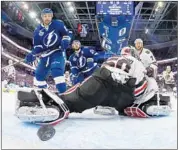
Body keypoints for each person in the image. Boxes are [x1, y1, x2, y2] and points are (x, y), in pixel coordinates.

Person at [15, 47, 171, 125]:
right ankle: (149, 105)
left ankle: (51, 103)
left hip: (104, 79)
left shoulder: (114, 58)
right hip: (127, 95)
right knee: (144, 93)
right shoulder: (141, 64)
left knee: (74, 98)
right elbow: (150, 84)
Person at [25, 8, 72, 93]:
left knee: (57, 72)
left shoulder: (58, 24)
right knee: (38, 75)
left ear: (52, 16)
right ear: (42, 17)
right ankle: (44, 92)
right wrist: (33, 54)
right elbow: (37, 46)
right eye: (45, 16)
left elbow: (67, 34)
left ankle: (64, 94)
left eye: (49, 16)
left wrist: (65, 40)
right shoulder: (37, 30)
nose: (47, 18)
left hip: (57, 52)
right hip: (44, 56)